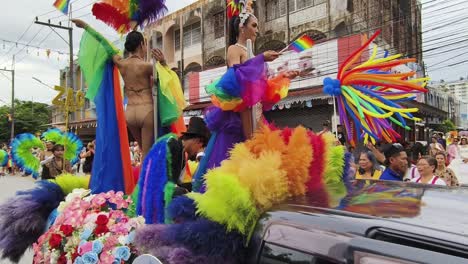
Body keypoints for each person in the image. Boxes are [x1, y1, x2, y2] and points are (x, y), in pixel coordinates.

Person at [192, 2, 299, 192]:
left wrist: (284, 76)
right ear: (242, 27)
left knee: (260, 151)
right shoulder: (235, 49)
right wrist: (261, 59)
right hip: (240, 115)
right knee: (244, 152)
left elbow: (259, 87)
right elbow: (235, 78)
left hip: (254, 113)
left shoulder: (251, 53)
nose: (257, 31)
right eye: (254, 26)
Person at [72, 19, 165, 160]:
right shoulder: (148, 67)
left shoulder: (121, 63)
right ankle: (145, 182)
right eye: (145, 44)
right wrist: (163, 63)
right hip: (146, 110)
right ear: (141, 44)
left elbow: (104, 43)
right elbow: (167, 81)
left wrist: (86, 26)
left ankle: (141, 181)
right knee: (148, 153)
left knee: (142, 151)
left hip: (130, 113)